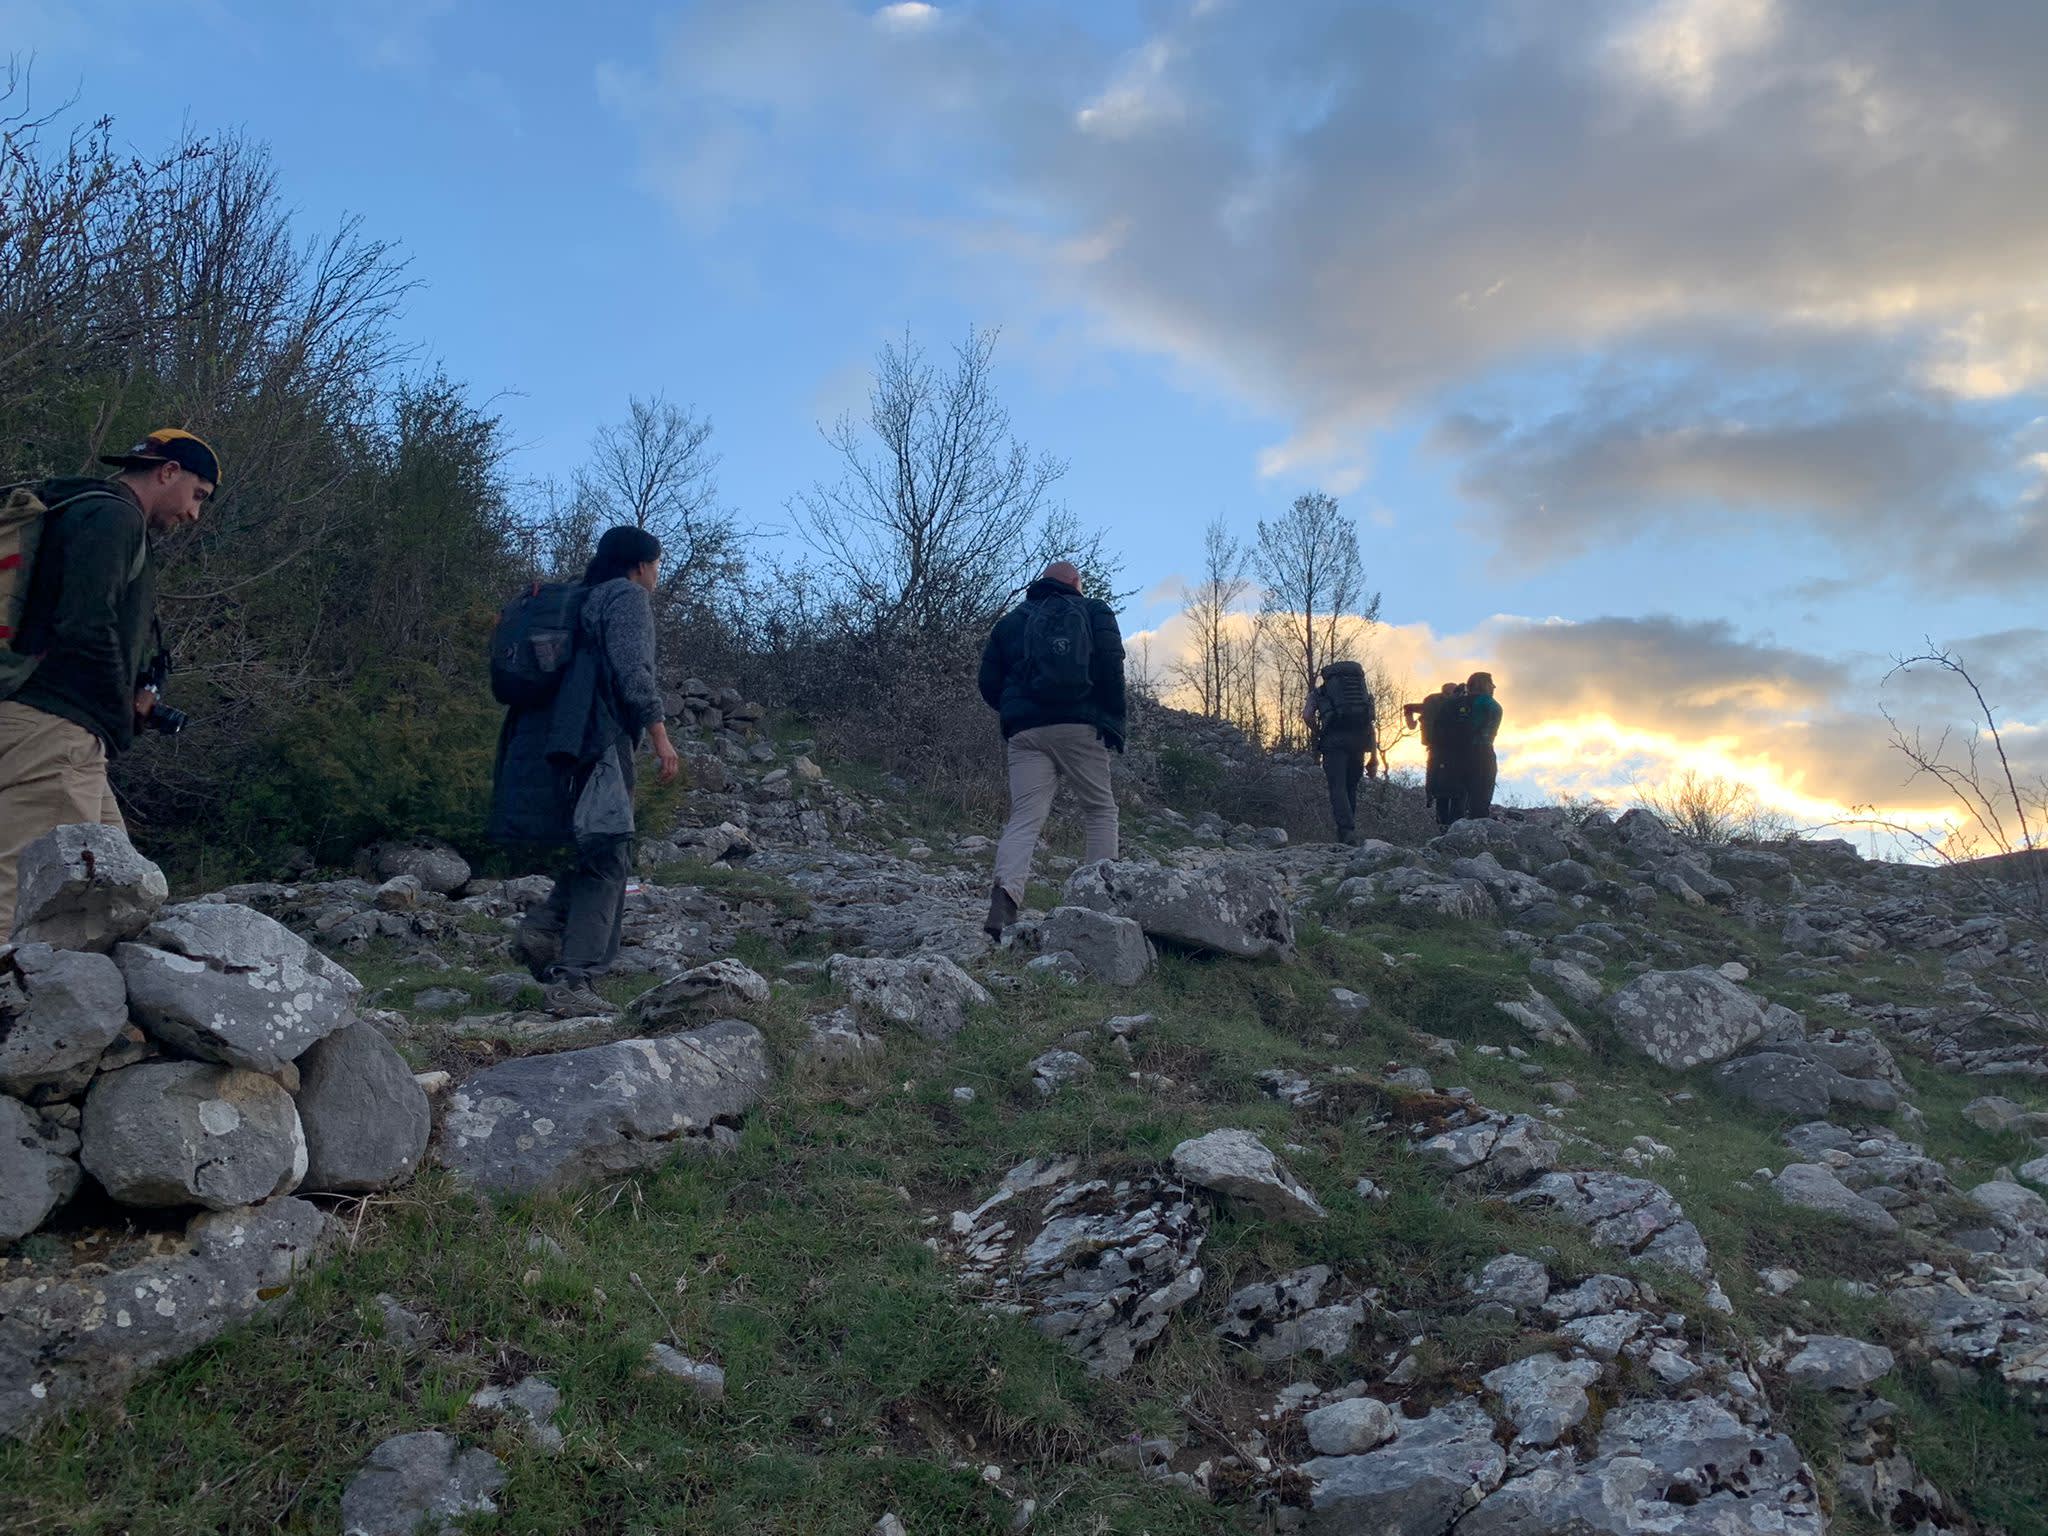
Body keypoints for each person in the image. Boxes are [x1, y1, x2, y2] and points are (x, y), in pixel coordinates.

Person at [0, 429, 217, 934]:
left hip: (49, 725)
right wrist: (121, 710)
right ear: (168, 472)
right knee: (21, 891)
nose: (193, 514)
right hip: (52, 729)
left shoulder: (68, 506)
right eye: (198, 495)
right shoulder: (114, 517)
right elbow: (85, 623)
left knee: (122, 891)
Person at [488, 525, 680, 1017]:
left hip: (550, 743)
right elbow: (633, 670)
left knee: (589, 845)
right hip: (597, 742)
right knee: (608, 851)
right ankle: (576, 980)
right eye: (656, 564)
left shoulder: (576, 597)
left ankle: (544, 927)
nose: (657, 574)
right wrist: (659, 736)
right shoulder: (626, 598)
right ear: (639, 565)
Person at [977, 559, 1125, 939]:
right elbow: (1111, 665)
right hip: (1080, 725)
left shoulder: (1011, 622)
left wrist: (1015, 712)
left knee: (1025, 817)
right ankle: (1100, 904)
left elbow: (988, 681)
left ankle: (1004, 901)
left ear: (1041, 583)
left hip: (1026, 733)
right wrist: (1111, 719)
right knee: (1099, 809)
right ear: (1076, 582)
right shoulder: (1094, 609)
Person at [1303, 659, 1379, 844]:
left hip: (1334, 742)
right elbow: (1370, 723)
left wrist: (1319, 732)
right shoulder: (1361, 694)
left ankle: (1346, 831)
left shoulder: (1319, 693)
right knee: (1351, 786)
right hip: (1359, 742)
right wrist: (1374, 758)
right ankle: (1349, 831)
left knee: (1338, 786)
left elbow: (1307, 716)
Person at [1403, 679, 1464, 828]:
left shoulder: (1430, 702)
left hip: (1434, 750)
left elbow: (1408, 707)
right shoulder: (1457, 703)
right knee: (1458, 789)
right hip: (1455, 751)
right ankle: (1455, 826)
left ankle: (1441, 825)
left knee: (1439, 786)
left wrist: (1411, 723)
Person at [1458, 671, 1503, 820]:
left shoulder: (1457, 702)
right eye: (1491, 684)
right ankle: (1479, 826)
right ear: (1485, 685)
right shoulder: (1489, 703)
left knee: (1462, 793)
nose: (1494, 688)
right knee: (1482, 790)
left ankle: (1455, 826)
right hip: (1483, 751)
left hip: (1457, 753)